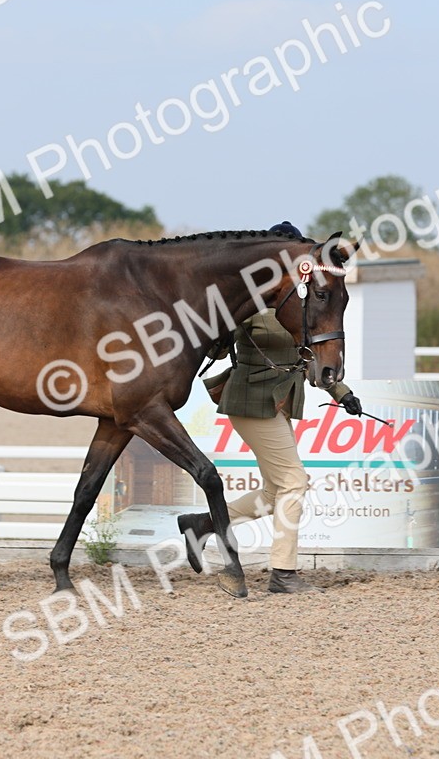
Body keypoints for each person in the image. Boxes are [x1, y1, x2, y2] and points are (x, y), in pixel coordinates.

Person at [178, 222, 362, 596]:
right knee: (295, 482)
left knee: (274, 493)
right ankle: (283, 573)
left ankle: (203, 523)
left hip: (280, 403)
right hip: (250, 401)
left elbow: (308, 354)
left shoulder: (300, 305)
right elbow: (214, 344)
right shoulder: (252, 303)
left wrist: (341, 393)